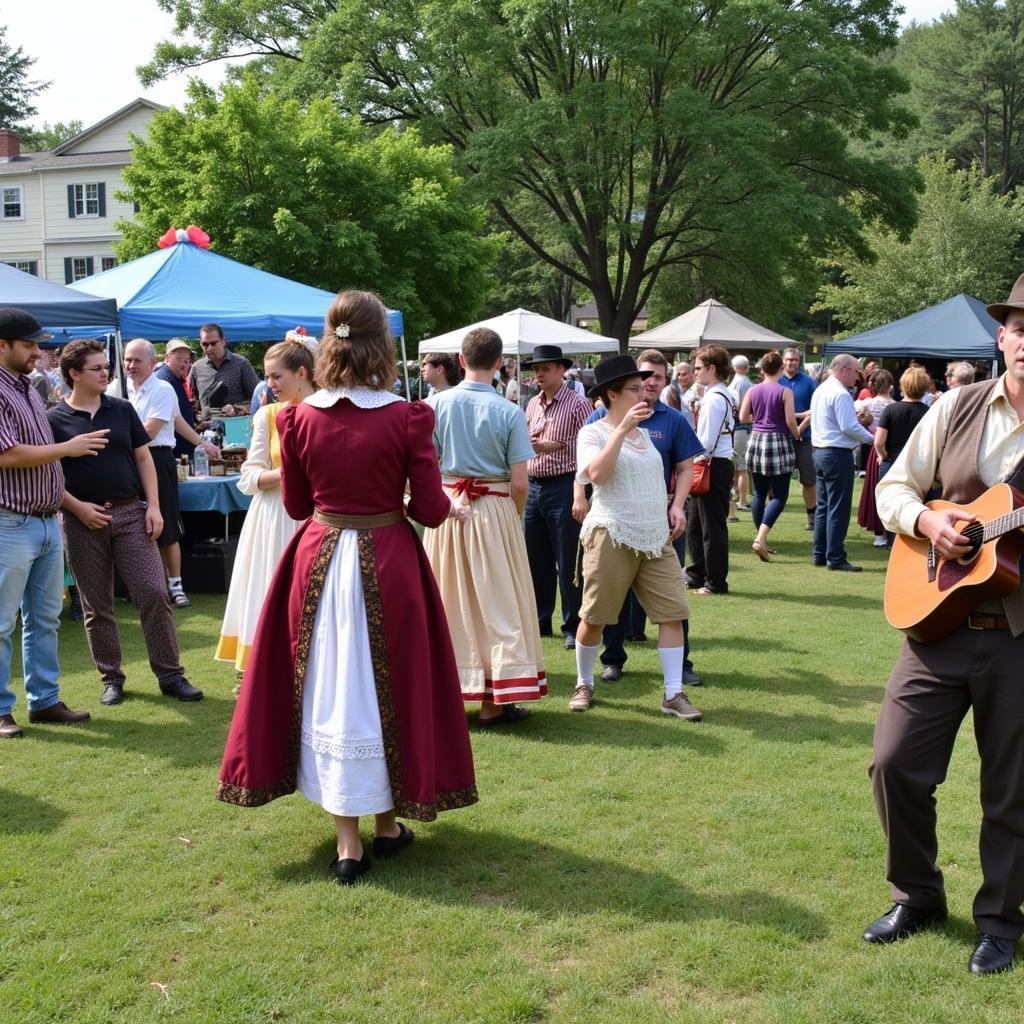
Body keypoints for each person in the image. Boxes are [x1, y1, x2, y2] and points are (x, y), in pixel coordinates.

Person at [217, 290, 477, 887]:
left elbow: (300, 503)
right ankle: (385, 826)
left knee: (330, 684)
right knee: (385, 682)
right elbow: (433, 512)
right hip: (389, 559)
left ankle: (351, 841)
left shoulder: (297, 418)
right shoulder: (410, 416)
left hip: (320, 560)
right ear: (381, 346)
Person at [865, 277, 1024, 977]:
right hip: (936, 622)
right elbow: (892, 486)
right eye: (1021, 327)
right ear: (1003, 336)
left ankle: (1000, 921)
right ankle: (918, 894)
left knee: (1013, 787)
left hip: (1018, 636)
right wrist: (930, 520)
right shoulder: (955, 406)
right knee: (893, 763)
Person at [47, 340, 203, 705]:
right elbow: (49, 475)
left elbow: (144, 458)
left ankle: (171, 676)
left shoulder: (121, 409)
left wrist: (154, 508)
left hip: (131, 512)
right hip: (80, 520)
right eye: (97, 368)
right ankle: (111, 678)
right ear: (74, 374)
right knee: (96, 605)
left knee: (153, 592)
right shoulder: (53, 419)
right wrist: (78, 508)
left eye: (107, 367)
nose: (107, 373)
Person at [568, 355, 700, 720]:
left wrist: (675, 507)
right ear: (611, 394)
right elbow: (597, 474)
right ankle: (584, 682)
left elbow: (671, 473)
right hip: (611, 532)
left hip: (655, 536)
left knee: (673, 613)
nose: (643, 392)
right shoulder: (593, 432)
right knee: (595, 616)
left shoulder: (645, 432)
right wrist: (621, 430)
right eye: (633, 388)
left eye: (643, 386)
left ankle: (673, 693)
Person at [423, 326, 545, 725]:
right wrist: (513, 514)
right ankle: (495, 701)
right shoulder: (510, 411)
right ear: (500, 364)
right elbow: (521, 481)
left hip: (446, 508)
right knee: (499, 601)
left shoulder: (435, 406)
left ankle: (444, 694)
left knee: (447, 599)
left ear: (460, 361)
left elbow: (422, 470)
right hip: (494, 508)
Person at [0, 308, 103, 738]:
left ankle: (43, 701)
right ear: (2, 345)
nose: (38, 353)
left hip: (43, 521)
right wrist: (68, 448)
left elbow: (38, 459)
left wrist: (68, 503)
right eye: (29, 345)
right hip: (10, 523)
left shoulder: (26, 387)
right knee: (3, 623)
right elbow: (6, 455)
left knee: (45, 619)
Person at [216, 337, 317, 672]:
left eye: (277, 377)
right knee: (271, 589)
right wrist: (285, 473)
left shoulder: (326, 411)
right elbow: (249, 474)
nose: (269, 385)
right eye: (268, 377)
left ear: (302, 373)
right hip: (274, 516)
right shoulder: (267, 416)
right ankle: (267, 671)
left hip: (317, 516)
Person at [522, 344, 592, 649]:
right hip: (534, 485)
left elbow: (591, 444)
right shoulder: (531, 404)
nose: (539, 374)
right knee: (536, 558)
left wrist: (558, 446)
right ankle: (540, 620)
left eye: (546, 369)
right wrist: (532, 445)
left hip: (565, 485)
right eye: (537, 369)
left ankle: (572, 624)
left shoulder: (578, 404)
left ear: (561, 370)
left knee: (567, 559)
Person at [124, 339, 191, 608]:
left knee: (166, 523)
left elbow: (148, 432)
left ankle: (176, 585)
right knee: (133, 523)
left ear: (153, 363)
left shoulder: (162, 389)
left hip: (158, 457)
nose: (131, 365)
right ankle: (144, 585)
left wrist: (117, 436)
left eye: (137, 360)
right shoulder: (120, 387)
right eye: (128, 360)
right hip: (127, 459)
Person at [809, 353, 875, 572]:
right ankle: (835, 557)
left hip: (820, 452)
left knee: (824, 506)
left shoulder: (821, 389)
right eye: (857, 372)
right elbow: (849, 426)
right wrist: (873, 439)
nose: (858, 377)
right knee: (838, 508)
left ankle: (820, 553)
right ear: (845, 370)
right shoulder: (840, 393)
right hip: (836, 454)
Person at [738, 350, 800, 562]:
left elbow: (743, 416)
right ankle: (760, 537)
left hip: (756, 439)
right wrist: (798, 433)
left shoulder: (752, 390)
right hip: (778, 440)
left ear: (762, 369)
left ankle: (760, 537)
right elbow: (791, 421)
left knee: (759, 494)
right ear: (781, 369)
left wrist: (760, 417)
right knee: (780, 495)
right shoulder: (785, 391)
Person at [685, 345, 735, 596]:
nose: (695, 372)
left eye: (698, 368)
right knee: (695, 523)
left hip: (712, 465)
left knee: (711, 526)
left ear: (711, 368)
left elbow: (705, 441)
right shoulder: (718, 395)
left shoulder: (714, 399)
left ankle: (715, 581)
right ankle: (697, 573)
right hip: (714, 464)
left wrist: (687, 457)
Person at [155, 339, 220, 464]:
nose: (184, 364)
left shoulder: (175, 378)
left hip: (180, 454)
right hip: (173, 455)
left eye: (187, 360)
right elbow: (176, 421)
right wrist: (202, 443)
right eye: (179, 359)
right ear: (167, 358)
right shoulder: (164, 380)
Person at [855, 369, 894, 547]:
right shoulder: (895, 405)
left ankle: (879, 534)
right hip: (891, 450)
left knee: (874, 490)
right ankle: (889, 531)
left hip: (873, 448)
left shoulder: (867, 403)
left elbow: (854, 417)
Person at [778, 347, 817, 531]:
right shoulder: (776, 380)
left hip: (804, 439)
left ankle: (812, 518)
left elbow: (814, 410)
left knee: (808, 480)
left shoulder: (809, 382)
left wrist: (799, 430)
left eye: (793, 360)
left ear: (798, 361)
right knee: (776, 479)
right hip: (780, 438)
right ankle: (771, 519)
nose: (790, 363)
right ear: (782, 361)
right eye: (787, 360)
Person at [188, 323, 260, 417]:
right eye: (205, 344)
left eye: (213, 343)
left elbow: (258, 398)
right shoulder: (196, 368)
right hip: (207, 428)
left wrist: (237, 409)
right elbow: (195, 401)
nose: (209, 348)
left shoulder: (241, 364)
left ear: (223, 341)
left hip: (235, 425)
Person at [728, 355, 753, 510]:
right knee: (740, 465)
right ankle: (739, 497)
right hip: (743, 427)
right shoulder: (747, 382)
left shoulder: (738, 383)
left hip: (740, 427)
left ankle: (742, 500)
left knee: (741, 465)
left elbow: (738, 408)